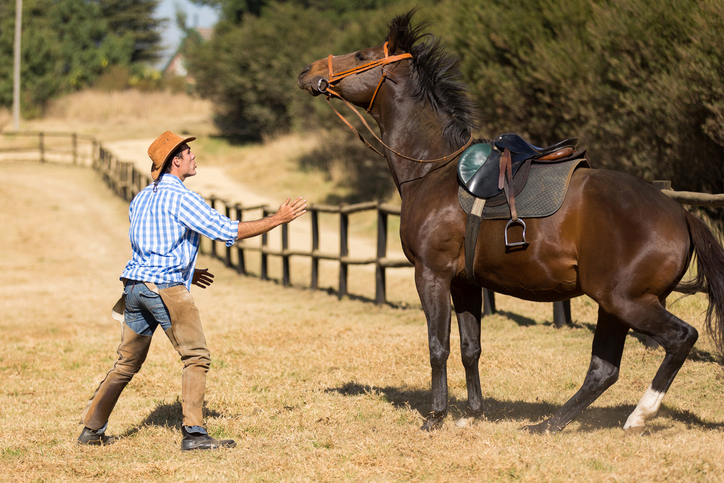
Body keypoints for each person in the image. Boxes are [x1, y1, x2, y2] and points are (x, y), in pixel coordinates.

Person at [78, 131, 307, 450]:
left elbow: (149, 244)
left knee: (125, 364)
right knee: (196, 356)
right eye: (188, 153)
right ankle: (195, 435)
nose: (193, 156)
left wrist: (189, 269)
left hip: (134, 288)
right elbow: (228, 231)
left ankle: (91, 430)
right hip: (165, 290)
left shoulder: (142, 197)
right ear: (175, 161)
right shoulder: (181, 197)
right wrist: (278, 219)